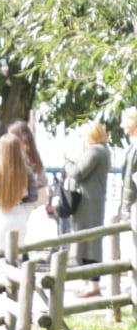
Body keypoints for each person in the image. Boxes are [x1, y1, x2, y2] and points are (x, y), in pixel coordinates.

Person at [0, 132, 44, 252]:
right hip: (19, 216)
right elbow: (33, 196)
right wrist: (21, 200)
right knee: (16, 257)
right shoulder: (26, 171)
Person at [66, 122, 111, 285]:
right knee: (87, 243)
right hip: (92, 201)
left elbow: (77, 173)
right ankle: (88, 284)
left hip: (89, 203)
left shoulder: (95, 152)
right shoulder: (103, 151)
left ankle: (92, 285)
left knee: (89, 243)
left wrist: (67, 163)